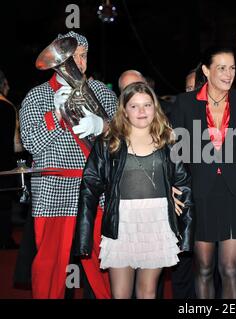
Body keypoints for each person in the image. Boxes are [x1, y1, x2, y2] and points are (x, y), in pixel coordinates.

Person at [19, 31, 118, 299]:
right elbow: (30, 143)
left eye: (83, 56)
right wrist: (56, 116)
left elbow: (123, 139)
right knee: (50, 265)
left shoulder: (101, 92)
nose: (79, 63)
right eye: (72, 57)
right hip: (54, 188)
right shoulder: (36, 96)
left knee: (104, 262)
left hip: (97, 189)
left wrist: (104, 126)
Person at [73, 82, 194, 299]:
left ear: (155, 108)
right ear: (124, 111)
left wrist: (186, 233)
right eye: (134, 106)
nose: (141, 111)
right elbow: (88, 189)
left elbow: (183, 184)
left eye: (147, 105)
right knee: (120, 294)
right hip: (121, 223)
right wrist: (83, 237)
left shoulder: (168, 141)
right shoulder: (109, 143)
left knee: (148, 291)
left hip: (157, 222)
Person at [171, 46, 236, 299]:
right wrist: (172, 186)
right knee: (203, 268)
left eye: (232, 68)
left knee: (230, 268)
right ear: (206, 70)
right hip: (199, 196)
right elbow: (173, 153)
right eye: (221, 68)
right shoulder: (185, 103)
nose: (228, 74)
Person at [0, 69, 20, 249]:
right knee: (4, 205)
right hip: (3, 163)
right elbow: (17, 144)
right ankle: (4, 239)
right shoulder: (8, 107)